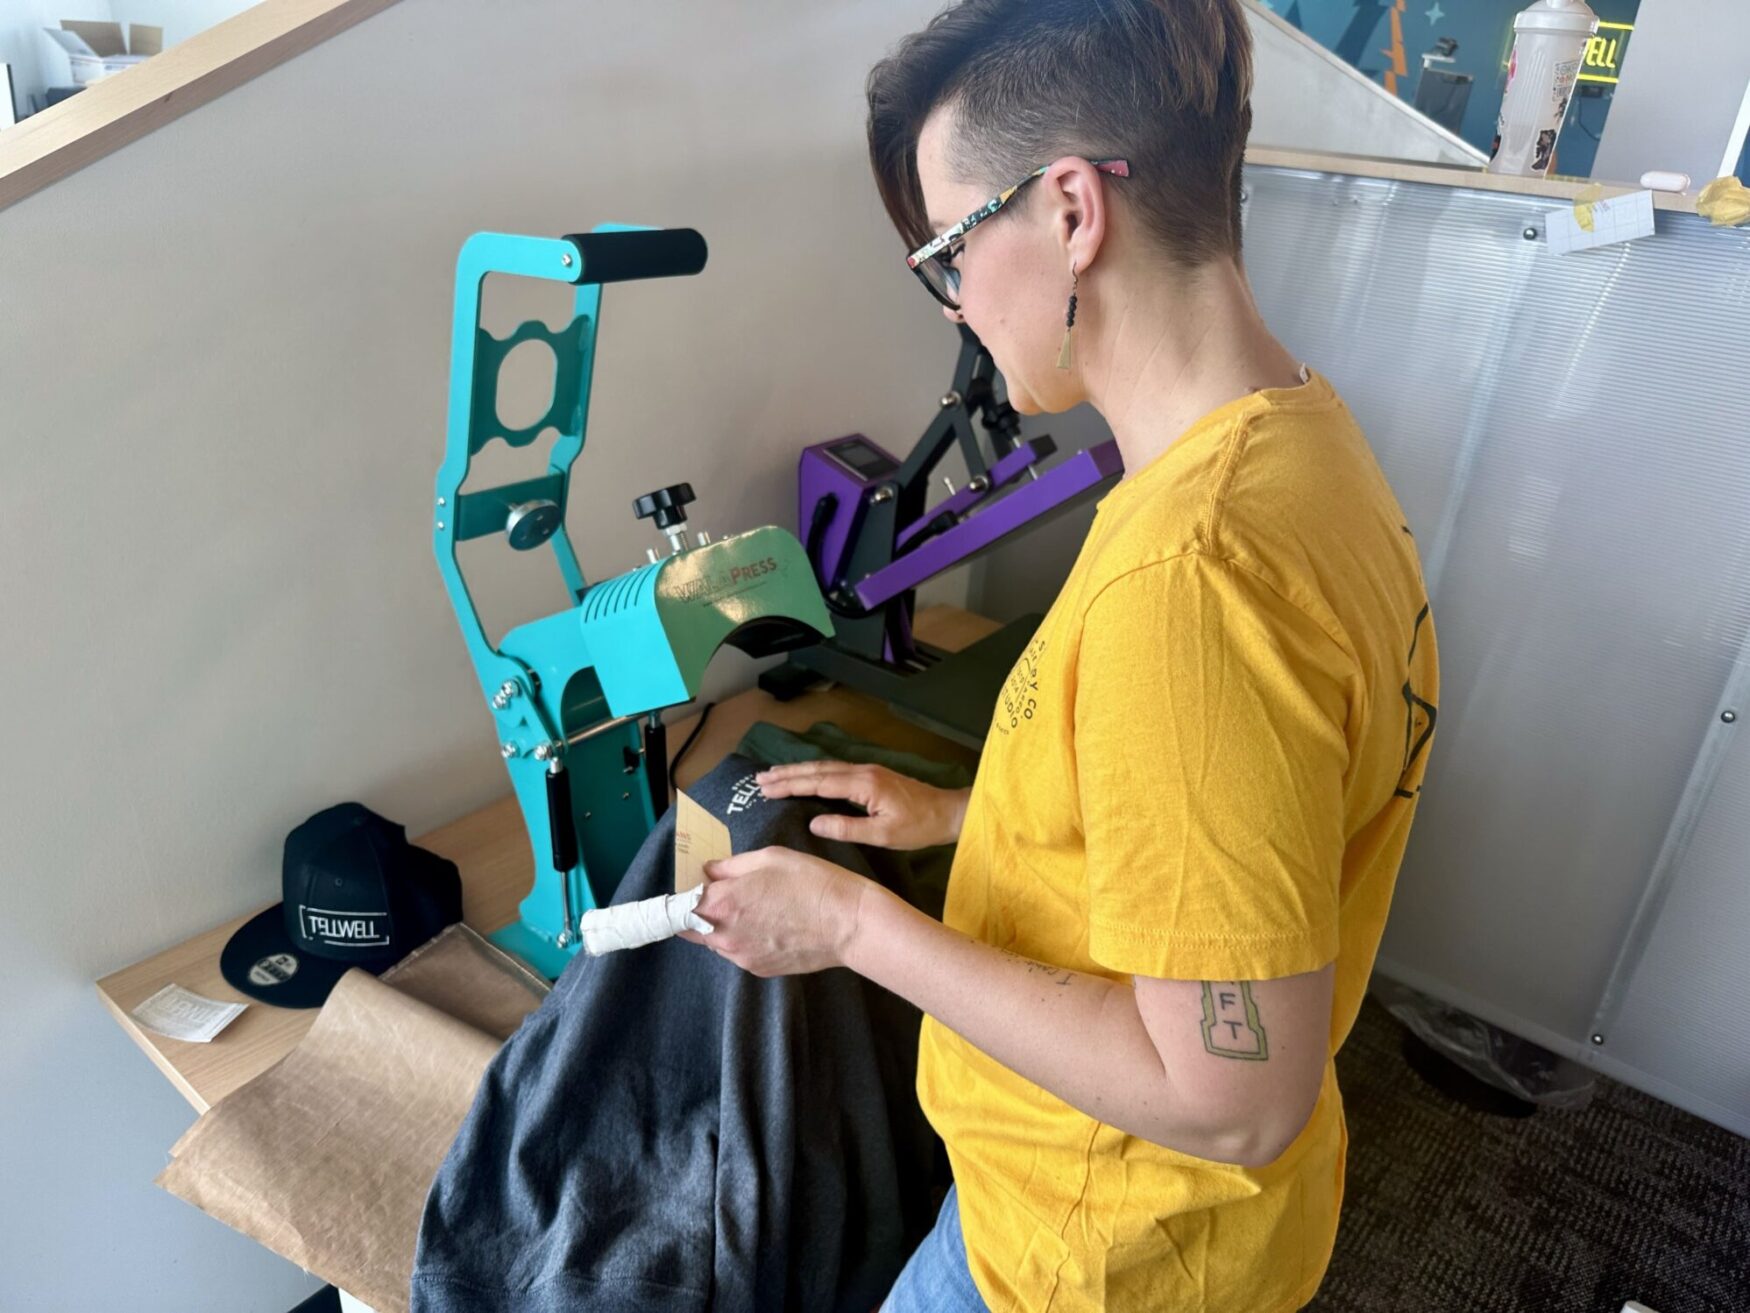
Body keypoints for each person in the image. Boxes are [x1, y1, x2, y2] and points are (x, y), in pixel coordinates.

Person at [677, 1, 1441, 1308]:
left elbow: (1229, 1095)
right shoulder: (1298, 443)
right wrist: (974, 813)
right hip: (1179, 1226)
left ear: (1072, 211)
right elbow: (1227, 837)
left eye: (951, 253)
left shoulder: (1189, 578)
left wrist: (852, 922)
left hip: (1093, 1256)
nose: (957, 306)